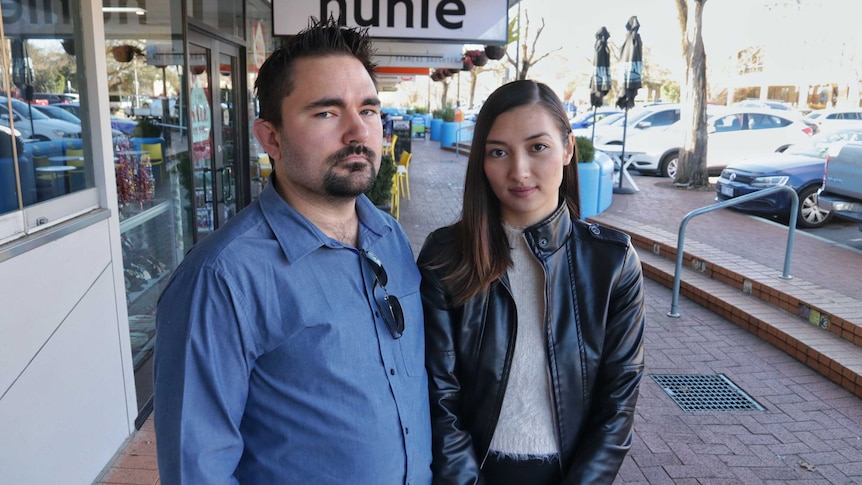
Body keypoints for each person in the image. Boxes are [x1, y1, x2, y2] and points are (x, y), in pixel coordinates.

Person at [153, 18, 432, 484]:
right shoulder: (222, 279)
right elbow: (195, 468)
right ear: (271, 139)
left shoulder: (391, 237)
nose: (357, 132)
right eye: (326, 113)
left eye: (368, 110)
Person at [418, 80, 645, 484]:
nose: (518, 171)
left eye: (538, 147)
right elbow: (440, 395)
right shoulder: (446, 254)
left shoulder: (611, 262)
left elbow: (618, 401)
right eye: (498, 152)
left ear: (568, 148)